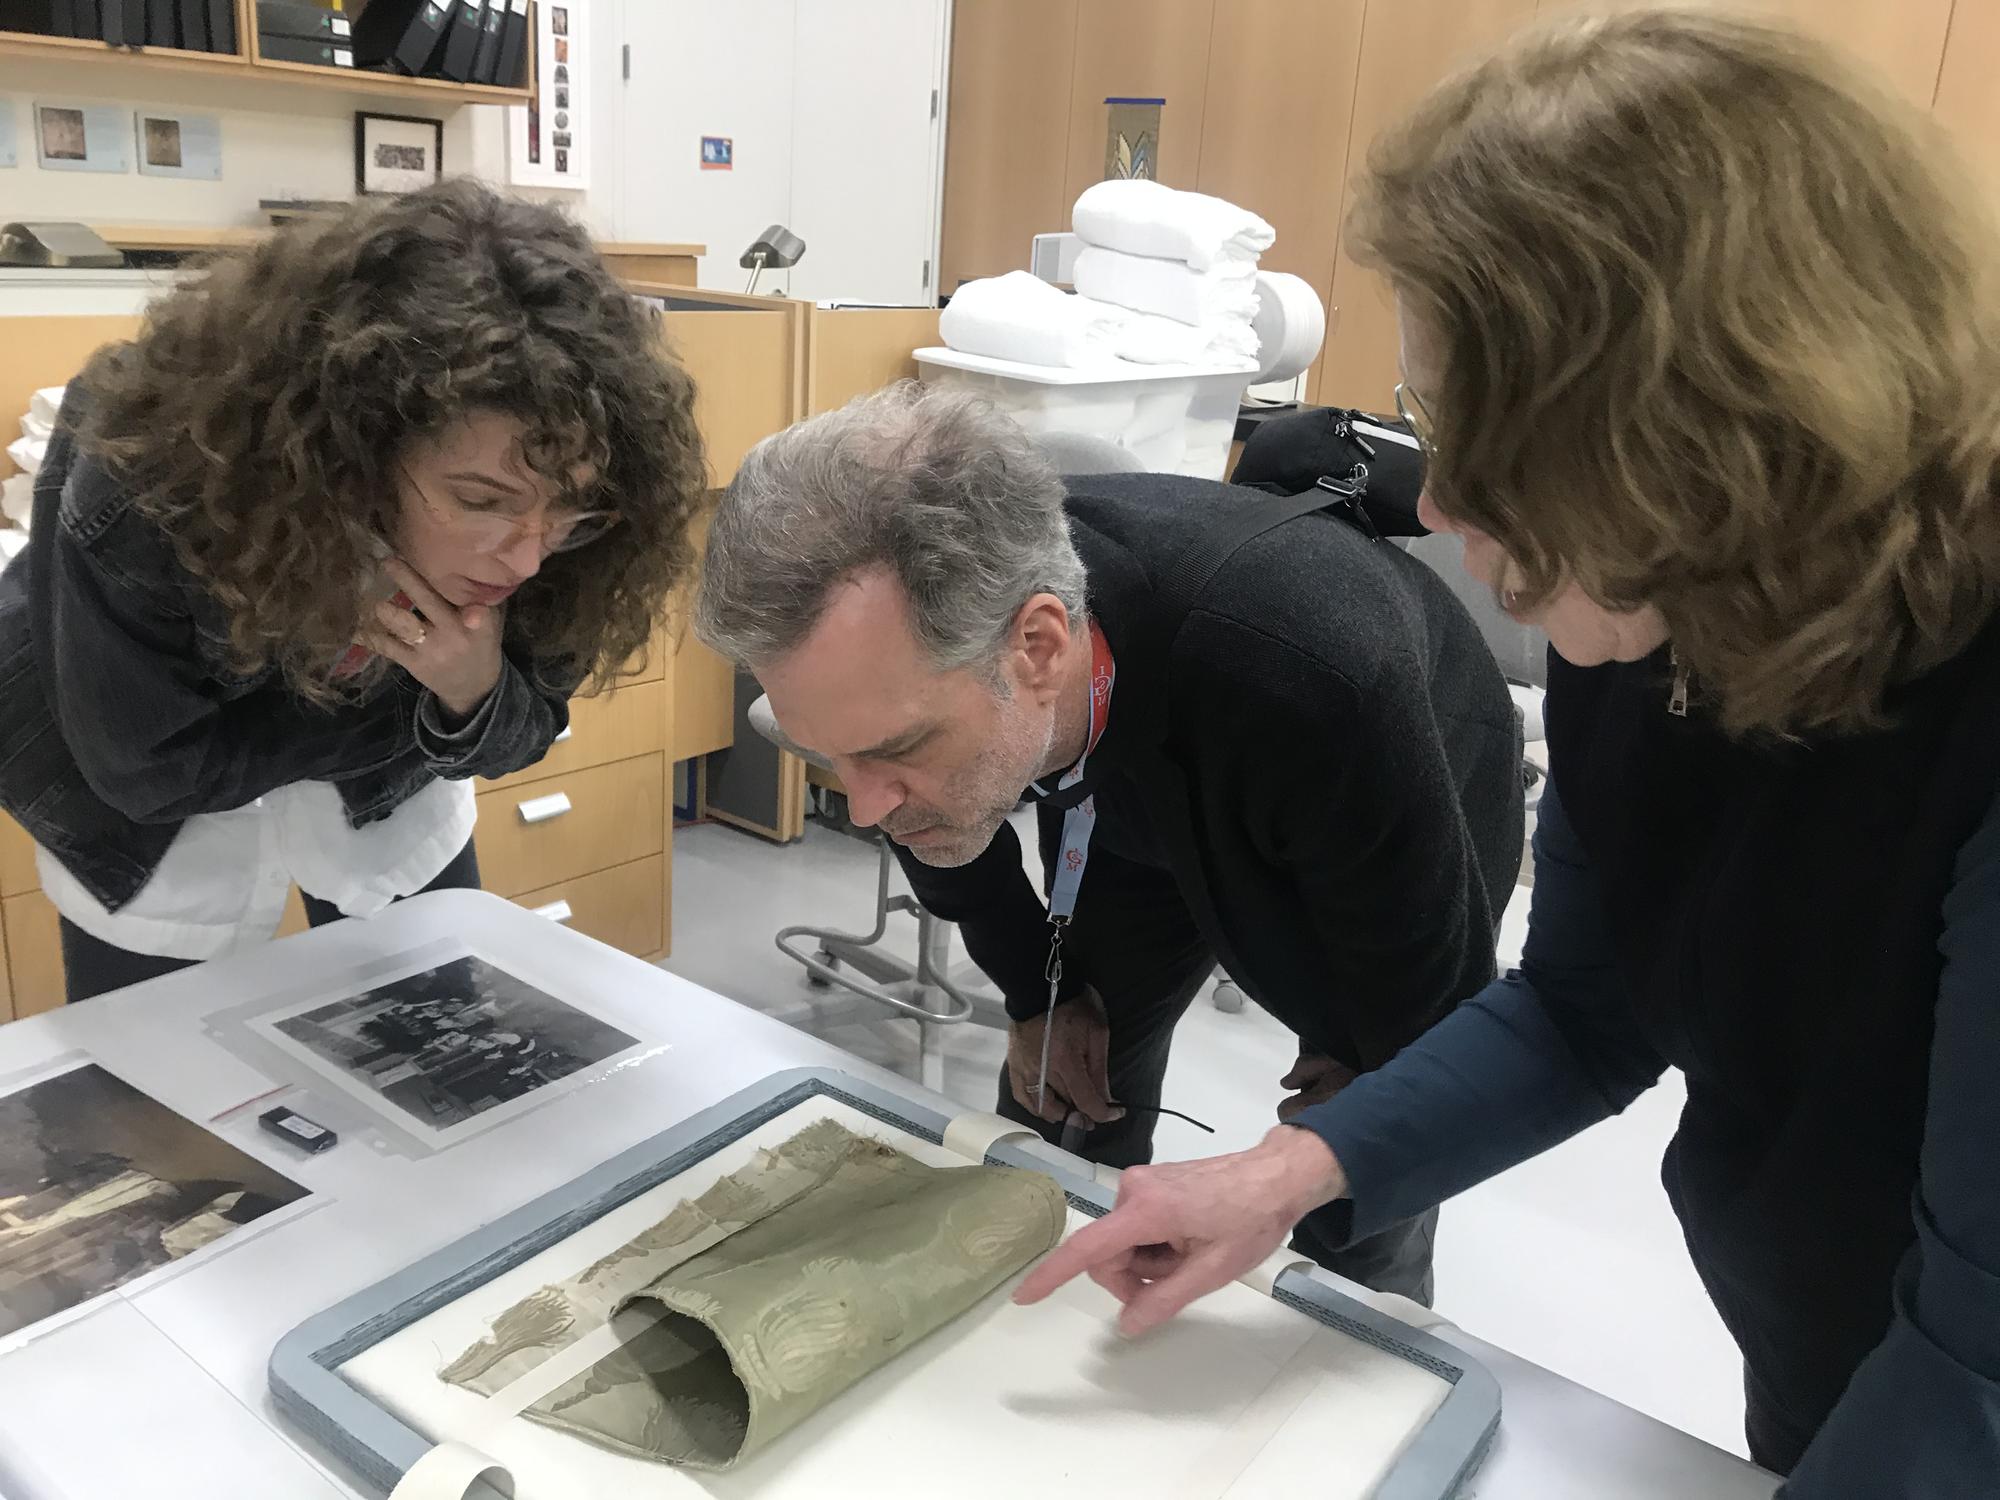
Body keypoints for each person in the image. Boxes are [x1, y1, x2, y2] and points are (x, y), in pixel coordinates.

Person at [1013, 10, 2000, 1494]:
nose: (1446, 493)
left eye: (1498, 430)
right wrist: (1286, 1175)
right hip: (1829, 1347)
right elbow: (1586, 1013)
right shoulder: (1661, 621)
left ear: (1724, 422)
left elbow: (1977, 1360)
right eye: (1433, 412)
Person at [695, 382, 1523, 1303]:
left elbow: (1441, 1039)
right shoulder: (940, 670)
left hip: (1385, 776)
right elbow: (933, 823)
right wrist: (1029, 991)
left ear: (1039, 648)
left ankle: (1365, 1328)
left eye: (894, 749)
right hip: (1125, 770)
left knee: (1374, 1152)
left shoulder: (1317, 675)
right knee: (1063, 1077)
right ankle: (1052, 1293)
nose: (862, 809)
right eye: (835, 757)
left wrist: (1351, 1120)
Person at [0, 180, 705, 1003]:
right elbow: (150, 777)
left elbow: (523, 729)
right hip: (141, 830)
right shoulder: (147, 484)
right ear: (353, 450)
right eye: (481, 501)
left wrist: (474, 693)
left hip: (385, 805)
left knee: (441, 1042)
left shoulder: (575, 517)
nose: (524, 561)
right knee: (155, 1088)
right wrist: (423, 717)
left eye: (568, 513)